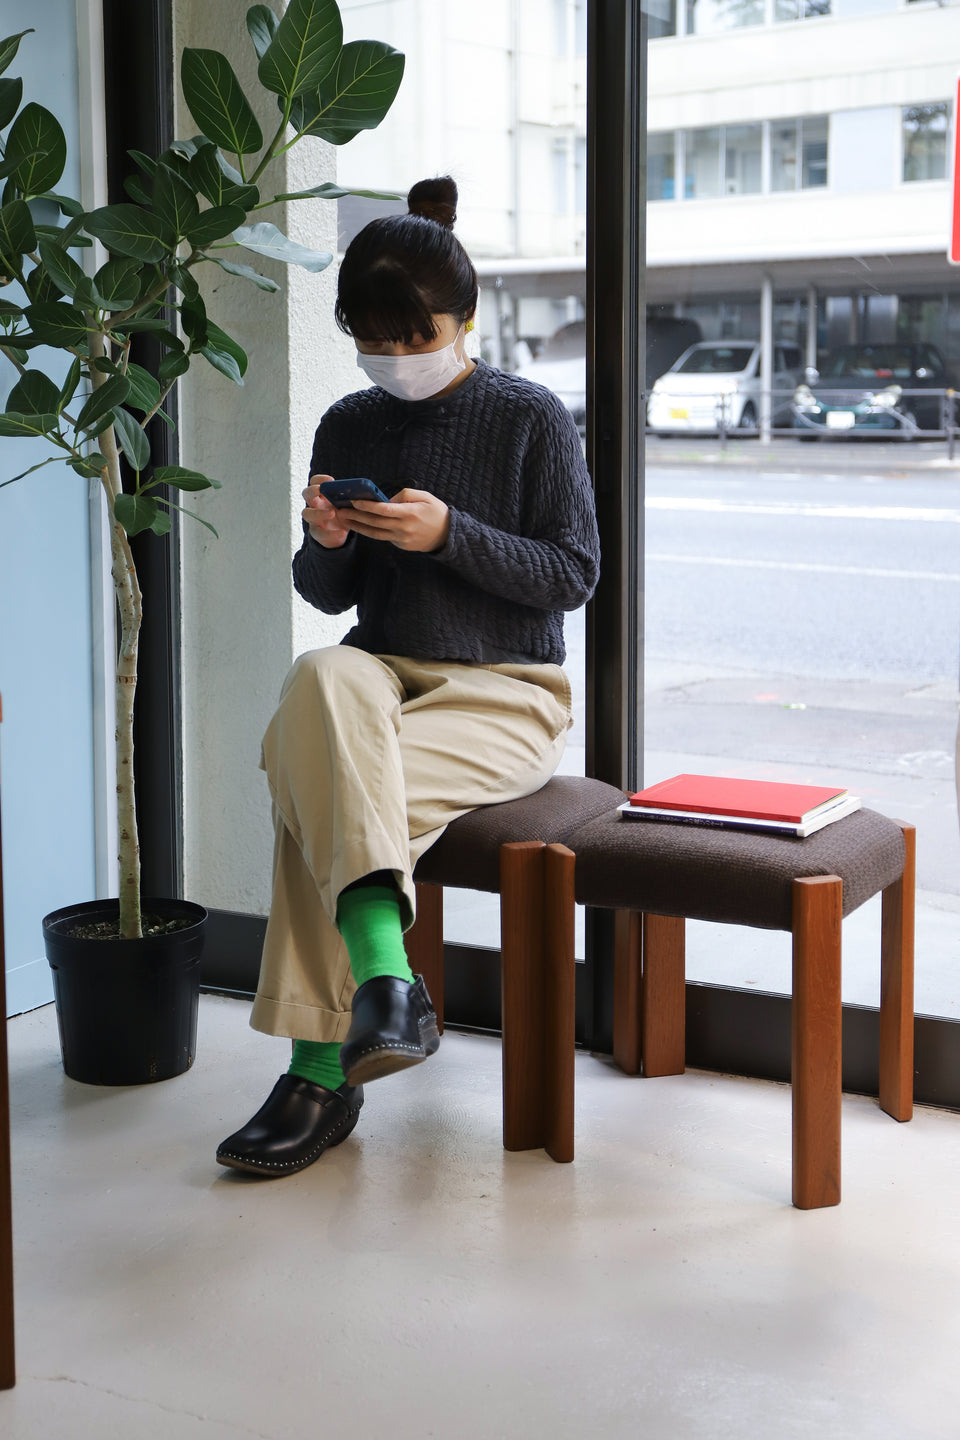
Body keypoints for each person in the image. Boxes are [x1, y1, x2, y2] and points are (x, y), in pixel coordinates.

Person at [217, 177, 600, 1178]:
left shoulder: (532, 418)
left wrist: (450, 535)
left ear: (462, 319)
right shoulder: (349, 424)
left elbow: (574, 574)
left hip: (507, 689)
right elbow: (326, 594)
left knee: (318, 791)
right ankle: (389, 988)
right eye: (371, 341)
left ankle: (317, 1071)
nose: (392, 360)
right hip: (377, 676)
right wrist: (325, 537)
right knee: (320, 677)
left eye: (411, 337)